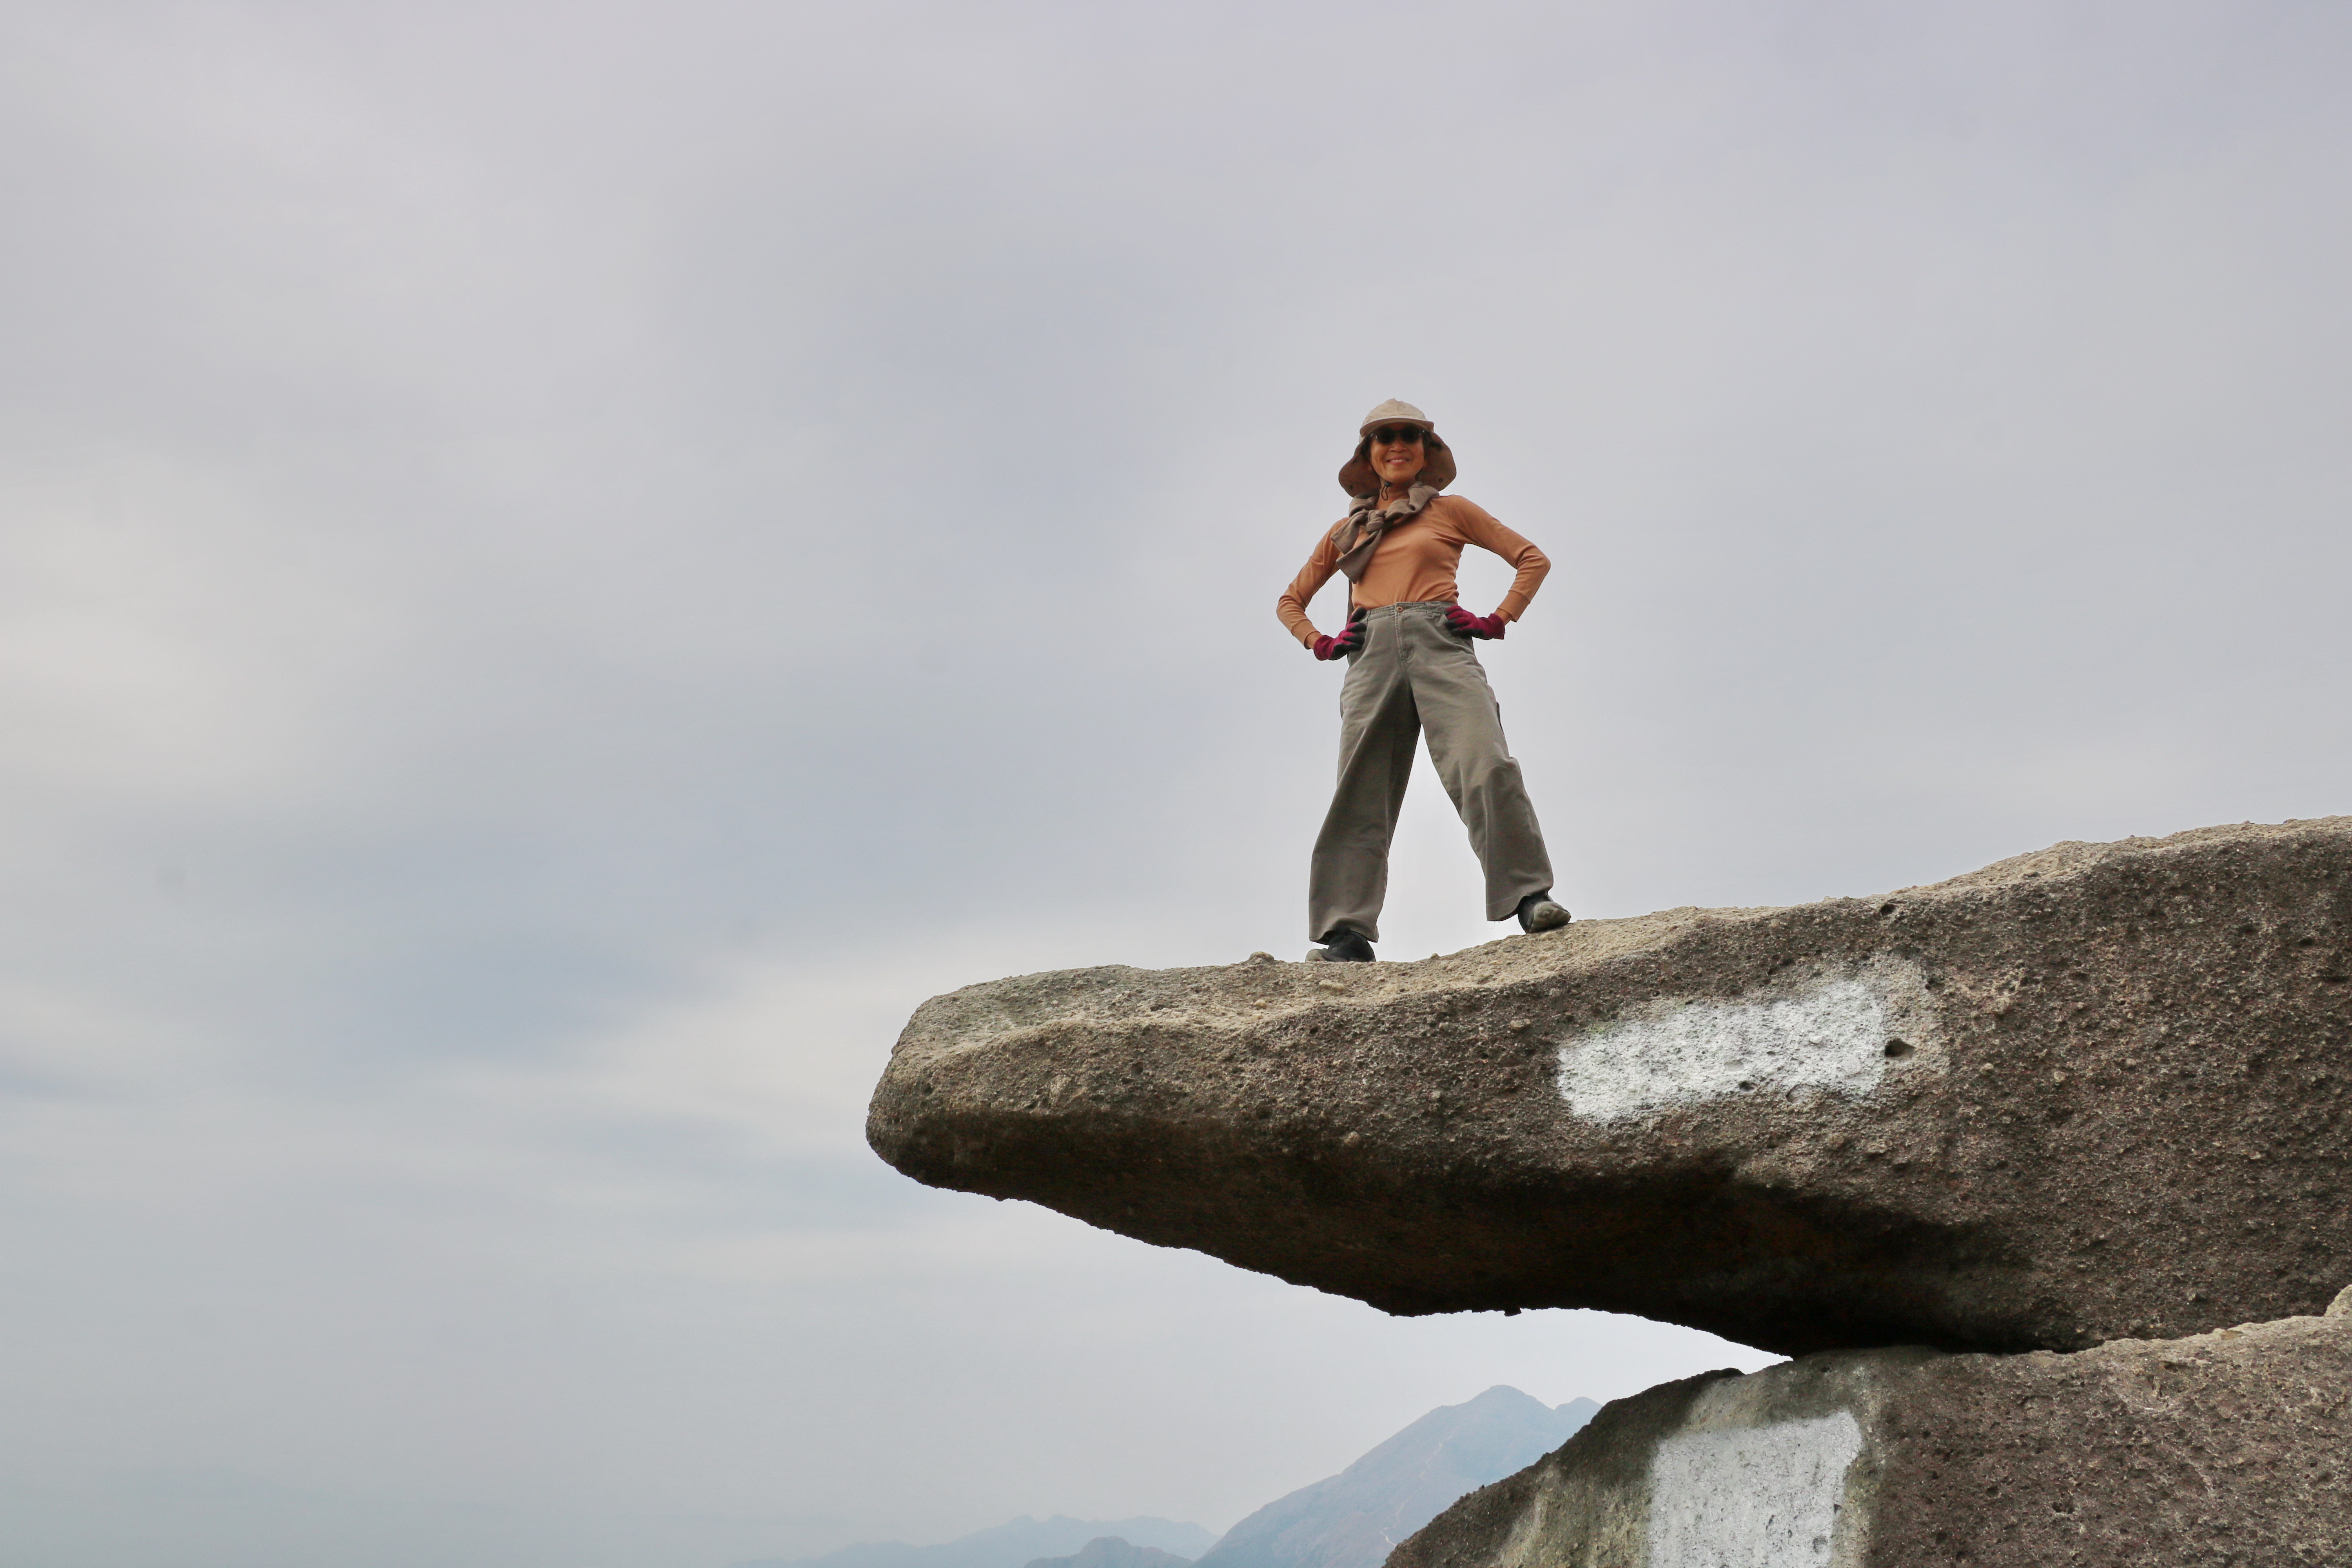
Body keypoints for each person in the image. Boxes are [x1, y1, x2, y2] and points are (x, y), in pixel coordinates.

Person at [1276, 399, 1570, 963]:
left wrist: (1497, 619)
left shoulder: (1451, 511)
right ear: (1368, 454)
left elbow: (1531, 558)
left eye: (1409, 435)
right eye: (1384, 437)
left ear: (1426, 449)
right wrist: (1321, 641)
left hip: (1441, 643)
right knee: (1359, 792)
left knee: (1485, 762)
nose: (1397, 445)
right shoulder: (1345, 531)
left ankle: (1529, 897)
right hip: (1371, 655)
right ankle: (1345, 933)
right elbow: (1290, 601)